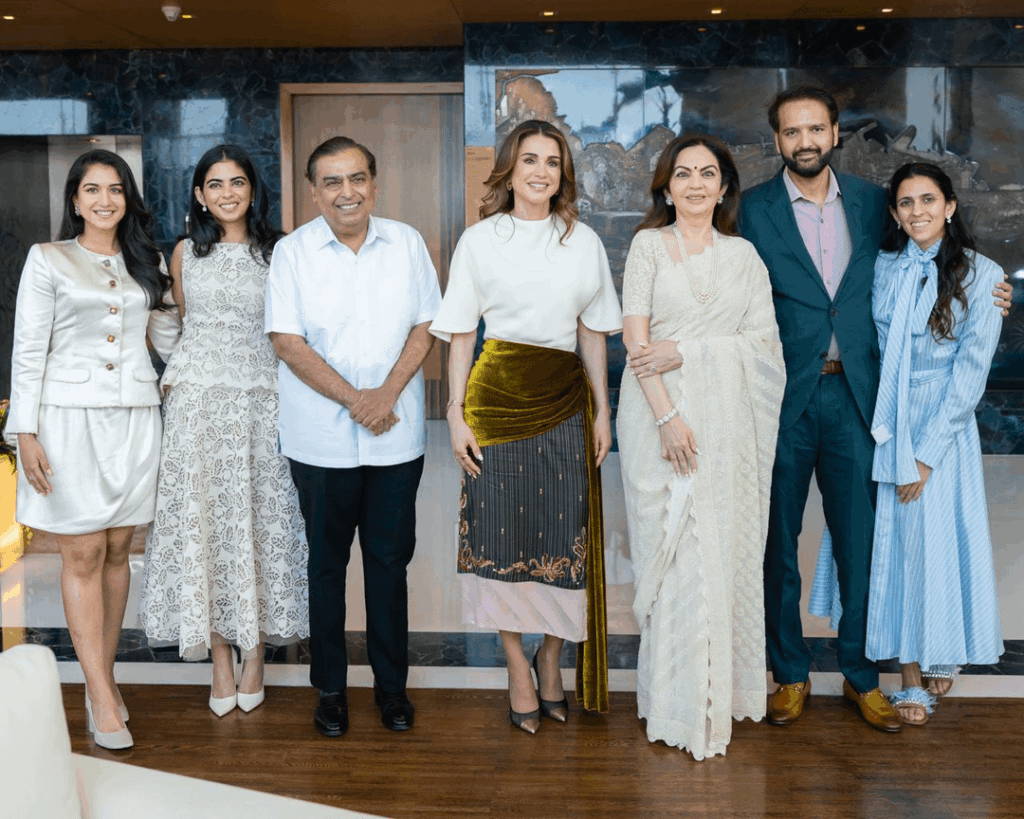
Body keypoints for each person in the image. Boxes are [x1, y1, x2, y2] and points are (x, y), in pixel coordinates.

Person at [739, 86, 1012, 732]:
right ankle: (791, 674)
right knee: (777, 540)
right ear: (777, 140)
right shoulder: (749, 211)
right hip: (779, 397)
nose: (804, 140)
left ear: (834, 133)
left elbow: (929, 268)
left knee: (863, 542)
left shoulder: (870, 207)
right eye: (791, 130)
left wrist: (988, 288)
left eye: (815, 127)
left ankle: (863, 676)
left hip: (860, 403)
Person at [430, 119, 622, 733]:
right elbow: (461, 335)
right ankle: (515, 663)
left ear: (563, 174)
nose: (542, 171)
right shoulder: (480, 241)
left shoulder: (583, 241)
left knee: (562, 536)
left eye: (553, 162)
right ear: (509, 168)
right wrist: (456, 415)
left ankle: (551, 654)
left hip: (567, 403)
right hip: (495, 403)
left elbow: (592, 334)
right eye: (530, 159)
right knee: (500, 538)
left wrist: (604, 411)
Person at [811, 162, 1005, 725]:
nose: (917, 212)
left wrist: (923, 455)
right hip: (884, 417)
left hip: (940, 424)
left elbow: (970, 377)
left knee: (936, 544)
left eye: (928, 200)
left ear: (949, 206)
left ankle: (943, 643)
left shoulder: (982, 275)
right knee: (892, 547)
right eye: (906, 203)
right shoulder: (883, 267)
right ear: (894, 213)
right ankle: (910, 675)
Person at [616, 134, 785, 759]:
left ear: (723, 187)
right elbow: (636, 343)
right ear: (666, 186)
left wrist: (692, 350)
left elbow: (766, 351)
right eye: (682, 173)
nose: (693, 183)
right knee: (675, 555)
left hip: (726, 429)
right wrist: (667, 418)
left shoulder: (744, 258)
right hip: (658, 421)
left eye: (706, 173)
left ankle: (714, 701)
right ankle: (674, 705)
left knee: (715, 557)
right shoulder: (646, 248)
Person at [266, 136, 441, 736]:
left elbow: (426, 325)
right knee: (325, 566)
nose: (347, 192)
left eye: (357, 178)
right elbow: (287, 343)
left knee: (390, 565)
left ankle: (392, 690)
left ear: (375, 181)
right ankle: (331, 690)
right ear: (314, 190)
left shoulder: (408, 243)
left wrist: (385, 396)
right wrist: (358, 401)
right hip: (320, 440)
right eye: (332, 182)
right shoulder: (292, 253)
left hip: (396, 437)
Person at [7, 149, 180, 749]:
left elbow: (167, 339)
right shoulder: (48, 259)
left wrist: (187, 302)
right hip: (66, 422)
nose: (104, 200)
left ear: (127, 197)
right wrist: (23, 432)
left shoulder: (146, 261)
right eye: (92, 190)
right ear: (75, 200)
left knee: (115, 553)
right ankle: (103, 694)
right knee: (79, 553)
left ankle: (96, 680)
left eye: (115, 189)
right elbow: (28, 351)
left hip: (135, 419)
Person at [138, 145, 308, 717]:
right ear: (199, 194)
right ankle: (218, 656)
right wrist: (174, 380)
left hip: (262, 402)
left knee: (259, 519)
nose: (227, 193)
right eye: (215, 184)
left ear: (253, 190)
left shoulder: (280, 251)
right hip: (197, 407)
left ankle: (255, 652)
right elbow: (174, 322)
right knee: (205, 523)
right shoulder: (184, 252)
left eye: (238, 182)